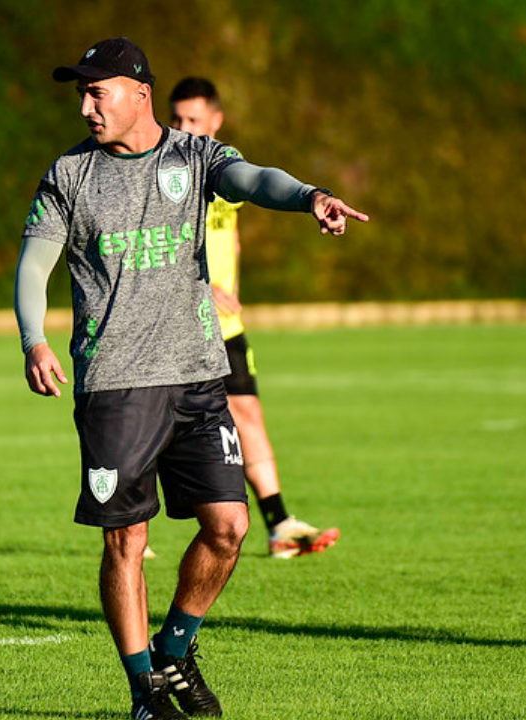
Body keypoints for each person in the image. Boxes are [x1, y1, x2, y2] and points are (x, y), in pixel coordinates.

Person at [14, 38, 368, 720]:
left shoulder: (193, 156)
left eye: (98, 91)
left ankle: (175, 651)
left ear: (140, 94)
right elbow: (34, 266)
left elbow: (255, 179)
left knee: (230, 526)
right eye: (80, 93)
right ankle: (144, 690)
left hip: (199, 377)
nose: (86, 106)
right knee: (127, 541)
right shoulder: (69, 175)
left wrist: (310, 196)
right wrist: (33, 337)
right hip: (115, 385)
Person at [168, 77, 340, 559]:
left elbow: (237, 224)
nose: (184, 129)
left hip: (225, 327)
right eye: (176, 119)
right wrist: (202, 286)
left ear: (216, 121)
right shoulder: (164, 175)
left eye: (193, 121)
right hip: (176, 326)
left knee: (248, 414)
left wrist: (312, 199)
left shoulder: (225, 168)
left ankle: (279, 524)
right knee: (153, 424)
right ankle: (127, 528)